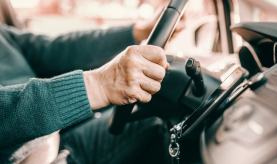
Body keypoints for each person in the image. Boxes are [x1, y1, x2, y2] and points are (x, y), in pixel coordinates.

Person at [0, 7, 173, 164]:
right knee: (159, 122)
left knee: (167, 104)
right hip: (32, 156)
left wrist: (136, 32)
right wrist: (98, 85)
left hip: (57, 136)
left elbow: (57, 49)